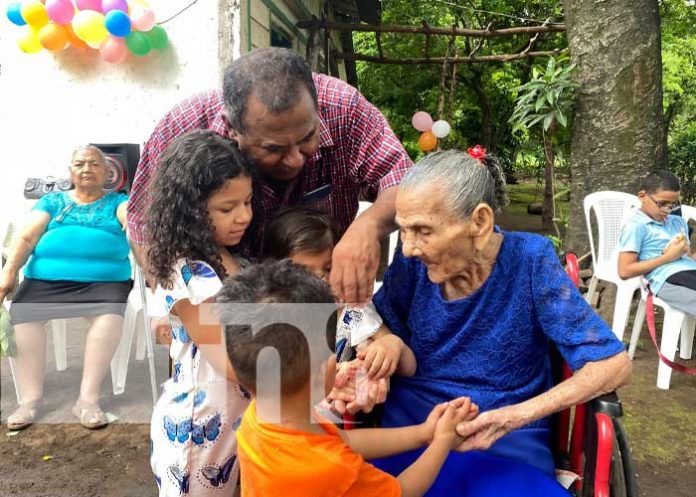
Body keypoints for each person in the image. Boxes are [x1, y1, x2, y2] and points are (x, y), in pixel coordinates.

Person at [353, 149, 631, 496]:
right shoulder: (413, 263)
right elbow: (354, 312)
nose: (408, 248)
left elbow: (613, 363)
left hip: (503, 441)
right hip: (409, 431)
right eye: (404, 231)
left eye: (422, 231)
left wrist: (514, 416)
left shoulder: (530, 260)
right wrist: (379, 340)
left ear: (480, 223)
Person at [128, 47, 412, 304]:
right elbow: (144, 225)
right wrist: (174, 299)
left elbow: (404, 181)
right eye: (273, 148)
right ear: (231, 128)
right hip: (217, 309)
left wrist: (369, 226)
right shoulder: (184, 125)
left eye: (307, 138)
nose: (295, 160)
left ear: (317, 109)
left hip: (320, 305)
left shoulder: (344, 109)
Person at [218, 259, 477, 497]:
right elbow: (402, 490)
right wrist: (442, 441)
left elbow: (346, 440)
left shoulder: (258, 417)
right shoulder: (331, 468)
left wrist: (422, 433)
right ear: (325, 370)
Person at [145, 130, 254, 497]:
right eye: (227, 208)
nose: (243, 216)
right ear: (190, 211)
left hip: (240, 413)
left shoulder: (233, 257)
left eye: (248, 202)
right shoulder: (189, 272)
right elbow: (225, 357)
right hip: (198, 427)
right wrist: (301, 381)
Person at [0, 145, 130, 430]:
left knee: (109, 318)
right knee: (22, 314)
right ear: (70, 171)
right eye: (80, 164)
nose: (87, 169)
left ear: (108, 172)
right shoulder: (53, 202)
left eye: (94, 164)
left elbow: (131, 221)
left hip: (104, 282)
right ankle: (30, 400)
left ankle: (87, 399)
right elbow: (25, 238)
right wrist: (8, 273)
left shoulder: (117, 202)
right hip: (45, 281)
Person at [264, 207, 416, 381]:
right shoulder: (276, 320)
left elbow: (409, 368)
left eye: (328, 269)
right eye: (302, 272)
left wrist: (393, 346)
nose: (320, 279)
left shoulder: (350, 311)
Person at [618, 170, 696, 316]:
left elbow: (687, 258)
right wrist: (667, 258)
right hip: (666, 279)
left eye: (674, 204)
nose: (668, 210)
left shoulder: (678, 222)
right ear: (642, 196)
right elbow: (624, 270)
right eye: (662, 203)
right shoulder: (636, 226)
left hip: (689, 272)